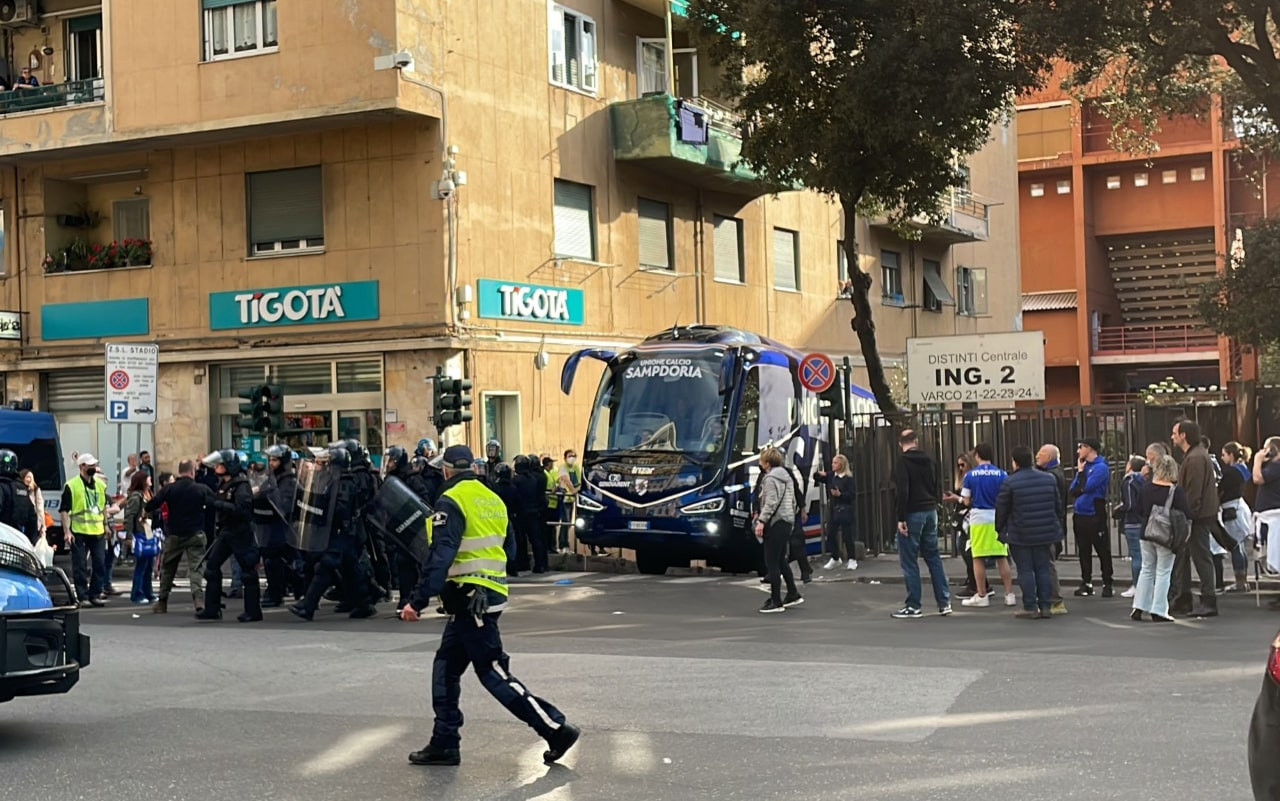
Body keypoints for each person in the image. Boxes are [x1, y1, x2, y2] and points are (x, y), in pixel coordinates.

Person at [399, 445, 580, 767]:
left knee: (492, 671)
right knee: (445, 669)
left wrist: (417, 599)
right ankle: (444, 742)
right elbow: (509, 550)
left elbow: (441, 554)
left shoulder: (450, 500)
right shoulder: (491, 498)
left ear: (445, 471)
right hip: (484, 596)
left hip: (471, 599)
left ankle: (554, 728)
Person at [995, 445, 1064, 619]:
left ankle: (1030, 606)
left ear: (1015, 462)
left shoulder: (1010, 482)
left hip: (1021, 532)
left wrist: (1001, 530)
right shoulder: (1048, 479)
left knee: (1025, 570)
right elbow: (1058, 506)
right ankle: (1046, 605)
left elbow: (1002, 509)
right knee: (1042, 568)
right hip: (1046, 532)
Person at [196, 450, 261, 622]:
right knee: (211, 567)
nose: (216, 467)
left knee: (248, 572)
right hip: (226, 531)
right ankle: (212, 608)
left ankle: (253, 611)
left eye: (220, 465)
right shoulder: (225, 484)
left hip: (240, 532)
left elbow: (241, 510)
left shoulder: (241, 485)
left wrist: (216, 503)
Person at [892, 429, 950, 619]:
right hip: (930, 511)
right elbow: (936, 484)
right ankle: (944, 602)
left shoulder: (902, 462)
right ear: (916, 441)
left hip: (912, 512)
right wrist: (935, 504)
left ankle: (914, 605)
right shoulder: (929, 460)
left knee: (909, 561)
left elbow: (903, 491)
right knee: (933, 557)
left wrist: (901, 518)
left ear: (901, 444)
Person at [147, 460, 213, 614]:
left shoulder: (169, 489)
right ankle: (198, 600)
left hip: (174, 534)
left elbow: (152, 504)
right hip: (196, 533)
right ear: (192, 472)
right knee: (196, 568)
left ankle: (162, 602)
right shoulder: (201, 489)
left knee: (168, 568)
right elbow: (214, 504)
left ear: (179, 471)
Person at [1131, 454, 1190, 622]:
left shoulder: (1146, 488)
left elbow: (1140, 509)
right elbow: (1185, 513)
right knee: (1163, 571)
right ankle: (1158, 609)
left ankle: (1139, 606)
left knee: (1147, 569)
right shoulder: (1175, 490)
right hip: (1166, 535)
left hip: (1146, 531)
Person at [1170, 419, 1219, 618]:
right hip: (1197, 514)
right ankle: (1185, 597)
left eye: (1175, 433)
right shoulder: (1195, 455)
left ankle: (1208, 600)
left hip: (1197, 516)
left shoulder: (1195, 458)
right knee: (1188, 557)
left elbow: (1193, 492)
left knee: (1201, 557)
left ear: (1184, 435)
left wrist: (1189, 517)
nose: (1172, 436)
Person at [959, 443, 1014, 608]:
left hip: (978, 519)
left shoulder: (970, 476)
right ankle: (1009, 594)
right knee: (1001, 556)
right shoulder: (1002, 474)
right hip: (996, 517)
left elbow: (966, 500)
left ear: (977, 455)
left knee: (978, 557)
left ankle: (982, 594)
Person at [754, 447, 803, 614]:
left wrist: (761, 521)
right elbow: (794, 500)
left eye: (761, 460)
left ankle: (776, 601)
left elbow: (771, 503)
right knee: (781, 559)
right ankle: (792, 592)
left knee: (772, 562)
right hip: (787, 521)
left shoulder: (770, 479)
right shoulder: (786, 476)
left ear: (766, 463)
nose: (760, 463)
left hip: (775, 523)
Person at [60, 454, 112, 606]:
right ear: (81, 466)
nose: (93, 468)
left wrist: (106, 524)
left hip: (97, 531)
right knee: (80, 565)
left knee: (100, 563)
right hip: (79, 531)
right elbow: (64, 510)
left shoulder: (100, 485)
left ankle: (95, 593)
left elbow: (102, 507)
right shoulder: (72, 485)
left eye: (94, 465)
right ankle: (82, 596)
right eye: (90, 466)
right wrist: (66, 531)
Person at [255, 444, 302, 608]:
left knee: (281, 561)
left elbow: (283, 505)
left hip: (284, 527)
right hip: (271, 526)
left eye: (274, 460)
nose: (271, 463)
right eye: (270, 460)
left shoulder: (289, 480)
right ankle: (281, 591)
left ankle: (280, 593)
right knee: (277, 561)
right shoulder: (273, 478)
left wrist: (265, 494)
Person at [1069, 437, 1112, 597]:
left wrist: (1081, 481)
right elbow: (1073, 489)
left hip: (1095, 513)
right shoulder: (1083, 467)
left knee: (1102, 549)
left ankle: (1108, 582)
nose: (1078, 451)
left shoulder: (1100, 468)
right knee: (1083, 550)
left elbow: (1086, 487)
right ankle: (1086, 582)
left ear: (1090, 449)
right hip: (1080, 514)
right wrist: (1080, 473)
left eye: (1081, 447)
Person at [1034, 444, 1069, 615]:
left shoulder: (1050, 476)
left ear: (1049, 457)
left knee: (1047, 563)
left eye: (1040, 454)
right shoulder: (1056, 473)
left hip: (1049, 526)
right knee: (1046, 562)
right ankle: (1049, 598)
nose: (1036, 457)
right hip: (1054, 525)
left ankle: (1054, 600)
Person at [1219, 441, 1253, 593]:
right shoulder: (1243, 469)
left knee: (1234, 546)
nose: (1222, 457)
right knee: (1239, 546)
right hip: (1240, 506)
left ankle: (1240, 581)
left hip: (1231, 508)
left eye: (1224, 454)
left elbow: (1221, 489)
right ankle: (1243, 580)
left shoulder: (1231, 472)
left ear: (1231, 455)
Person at [943, 454, 977, 598]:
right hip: (964, 518)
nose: (961, 468)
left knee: (968, 551)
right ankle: (976, 581)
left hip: (971, 518)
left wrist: (957, 498)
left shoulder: (971, 478)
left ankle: (975, 584)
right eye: (959, 465)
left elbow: (968, 500)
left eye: (963, 465)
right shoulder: (962, 480)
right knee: (964, 548)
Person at [816, 454, 857, 571]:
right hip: (833, 509)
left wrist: (840, 495)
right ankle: (835, 557)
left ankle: (852, 559)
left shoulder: (848, 479)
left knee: (847, 535)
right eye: (833, 462)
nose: (833, 465)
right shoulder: (831, 476)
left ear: (842, 465)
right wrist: (819, 473)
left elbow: (852, 495)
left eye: (835, 463)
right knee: (830, 533)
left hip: (845, 509)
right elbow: (817, 478)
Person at [122, 472, 156, 604]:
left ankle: (148, 592)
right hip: (140, 533)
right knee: (141, 566)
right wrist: (129, 536)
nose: (150, 479)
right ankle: (137, 593)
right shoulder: (137, 496)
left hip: (148, 532)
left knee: (149, 566)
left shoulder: (149, 494)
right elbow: (130, 516)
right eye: (148, 478)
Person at [1118, 456, 1147, 599]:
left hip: (1132, 522)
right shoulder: (1145, 479)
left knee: (1136, 555)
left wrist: (1120, 510)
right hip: (1144, 520)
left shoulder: (1129, 481)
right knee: (1145, 556)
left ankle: (1136, 585)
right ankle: (1146, 585)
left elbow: (1129, 504)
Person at [514, 455, 549, 574]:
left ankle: (523, 564)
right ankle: (540, 565)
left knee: (521, 540)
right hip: (534, 512)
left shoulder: (517, 480)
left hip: (521, 513)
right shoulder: (534, 479)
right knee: (536, 540)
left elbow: (517, 497)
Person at [1254, 436, 1280, 595]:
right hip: (1269, 516)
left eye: (1266, 448)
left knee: (1276, 555)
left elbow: (1257, 478)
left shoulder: (1277, 466)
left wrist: (1257, 460)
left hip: (1274, 517)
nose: (1263, 452)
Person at [0, 450, 38, 545]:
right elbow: (32, 517)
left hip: (2, 539)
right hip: (20, 540)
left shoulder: (1, 486)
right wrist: (32, 541)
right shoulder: (22, 488)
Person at [556, 449, 581, 553]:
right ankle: (563, 544)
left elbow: (579, 480)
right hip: (564, 498)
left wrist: (577, 489)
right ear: (565, 458)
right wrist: (573, 490)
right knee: (565, 522)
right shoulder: (563, 467)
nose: (572, 458)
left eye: (574, 456)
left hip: (571, 499)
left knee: (569, 522)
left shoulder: (575, 467)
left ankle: (566, 544)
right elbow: (566, 479)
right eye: (570, 456)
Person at [19, 469, 46, 547]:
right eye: (27, 477)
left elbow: (40, 509)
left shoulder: (36, 490)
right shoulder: (19, 489)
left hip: (33, 522)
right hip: (21, 521)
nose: (29, 479)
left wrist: (42, 525)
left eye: (30, 477)